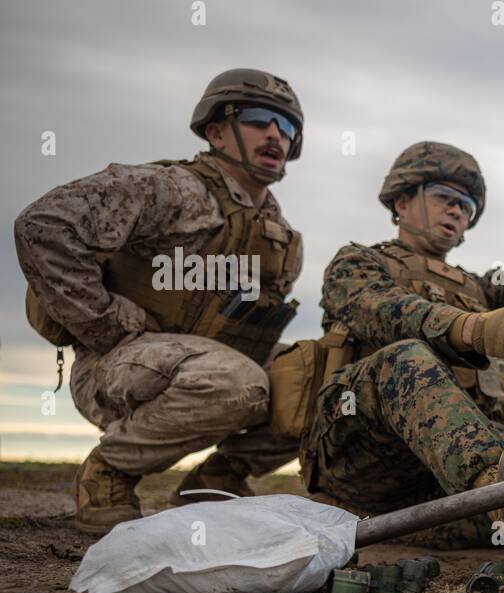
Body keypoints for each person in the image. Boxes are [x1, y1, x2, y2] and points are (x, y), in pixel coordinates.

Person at [15, 68, 306, 534]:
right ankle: (108, 474)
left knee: (320, 377)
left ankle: (217, 481)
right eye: (256, 119)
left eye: (287, 127)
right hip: (115, 364)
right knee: (238, 382)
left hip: (209, 368)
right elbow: (43, 226)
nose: (275, 134)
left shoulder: (281, 236)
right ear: (217, 132)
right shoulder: (170, 189)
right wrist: (105, 322)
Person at [300, 141, 504, 557]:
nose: (458, 212)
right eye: (446, 198)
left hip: (436, 472)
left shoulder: (476, 289)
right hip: (360, 452)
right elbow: (388, 312)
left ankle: (492, 508)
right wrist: (474, 328)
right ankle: (500, 496)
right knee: (405, 358)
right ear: (402, 201)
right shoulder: (356, 263)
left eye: (466, 207)